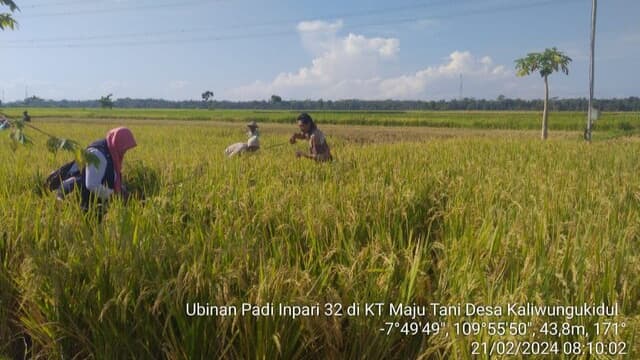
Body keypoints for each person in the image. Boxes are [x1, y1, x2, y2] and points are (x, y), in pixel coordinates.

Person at [56, 127, 137, 215]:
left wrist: (121, 189)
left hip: (90, 196)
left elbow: (113, 175)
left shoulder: (111, 151)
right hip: (75, 196)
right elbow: (91, 184)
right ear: (118, 142)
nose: (125, 151)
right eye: (124, 147)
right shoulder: (98, 155)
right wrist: (114, 195)